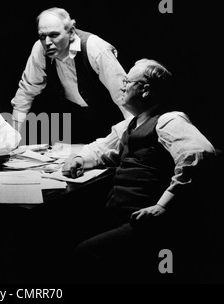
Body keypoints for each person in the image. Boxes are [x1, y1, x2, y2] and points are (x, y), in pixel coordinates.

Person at [61, 59, 216, 283]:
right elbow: (104, 148)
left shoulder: (168, 120)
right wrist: (78, 158)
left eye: (127, 81)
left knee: (84, 254)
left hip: (148, 221)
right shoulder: (131, 124)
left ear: (145, 90)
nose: (122, 86)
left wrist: (163, 206)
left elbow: (200, 155)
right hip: (120, 213)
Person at [11, 7, 130, 145]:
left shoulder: (95, 48)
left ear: (71, 32)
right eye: (42, 36)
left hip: (111, 121)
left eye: (54, 35)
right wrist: (13, 138)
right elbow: (26, 92)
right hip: (76, 124)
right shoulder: (40, 49)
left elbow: (124, 98)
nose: (47, 42)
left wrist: (133, 138)